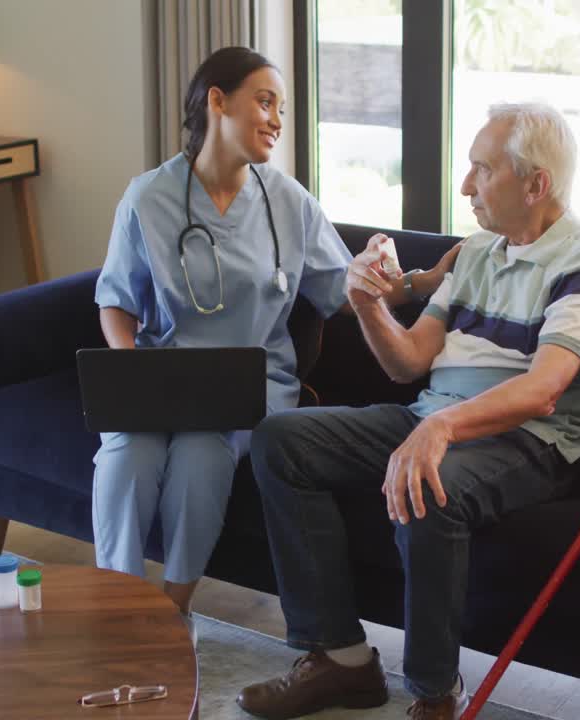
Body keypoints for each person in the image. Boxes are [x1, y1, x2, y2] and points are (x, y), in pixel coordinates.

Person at [237, 102, 580, 720]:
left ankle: (434, 692)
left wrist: (442, 428)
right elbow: (409, 362)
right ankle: (340, 661)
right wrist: (366, 302)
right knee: (281, 440)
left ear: (536, 184)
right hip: (431, 414)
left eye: (481, 169)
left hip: (527, 439)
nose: (466, 185)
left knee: (429, 484)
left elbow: (543, 391)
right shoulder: (476, 252)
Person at [92, 47, 455, 624]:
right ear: (217, 101)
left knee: (200, 455)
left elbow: (348, 289)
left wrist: (417, 281)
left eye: (281, 108)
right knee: (125, 453)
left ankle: (168, 613)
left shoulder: (288, 201)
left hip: (249, 387)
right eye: (265, 102)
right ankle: (117, 607)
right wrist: (129, 370)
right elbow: (116, 298)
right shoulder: (147, 197)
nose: (277, 121)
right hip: (163, 376)